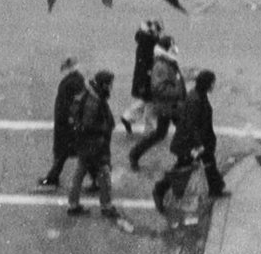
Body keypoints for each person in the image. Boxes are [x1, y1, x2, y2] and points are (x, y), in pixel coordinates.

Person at [154, 69, 227, 214]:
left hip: (199, 141)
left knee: (209, 163)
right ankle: (159, 190)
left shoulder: (199, 95)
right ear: (207, 84)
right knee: (182, 169)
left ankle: (216, 188)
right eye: (213, 83)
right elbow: (191, 125)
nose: (214, 85)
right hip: (190, 144)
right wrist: (199, 145)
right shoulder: (195, 99)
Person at [67, 68, 118, 217]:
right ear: (103, 85)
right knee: (104, 174)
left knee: (80, 172)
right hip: (94, 146)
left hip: (86, 144)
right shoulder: (94, 102)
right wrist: (104, 129)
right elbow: (89, 125)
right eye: (109, 84)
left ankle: (73, 204)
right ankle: (106, 206)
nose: (111, 87)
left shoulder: (91, 95)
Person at [129, 40, 184, 170]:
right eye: (172, 46)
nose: (174, 48)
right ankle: (134, 154)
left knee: (169, 132)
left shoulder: (168, 62)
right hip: (168, 106)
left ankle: (186, 158)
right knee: (168, 133)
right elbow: (159, 88)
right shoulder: (161, 66)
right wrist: (178, 92)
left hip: (173, 105)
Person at [42, 57, 88, 191]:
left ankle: (52, 177)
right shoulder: (76, 80)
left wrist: (69, 118)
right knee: (71, 151)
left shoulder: (71, 82)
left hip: (66, 124)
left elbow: (71, 103)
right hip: (67, 123)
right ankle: (52, 177)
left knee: (64, 151)